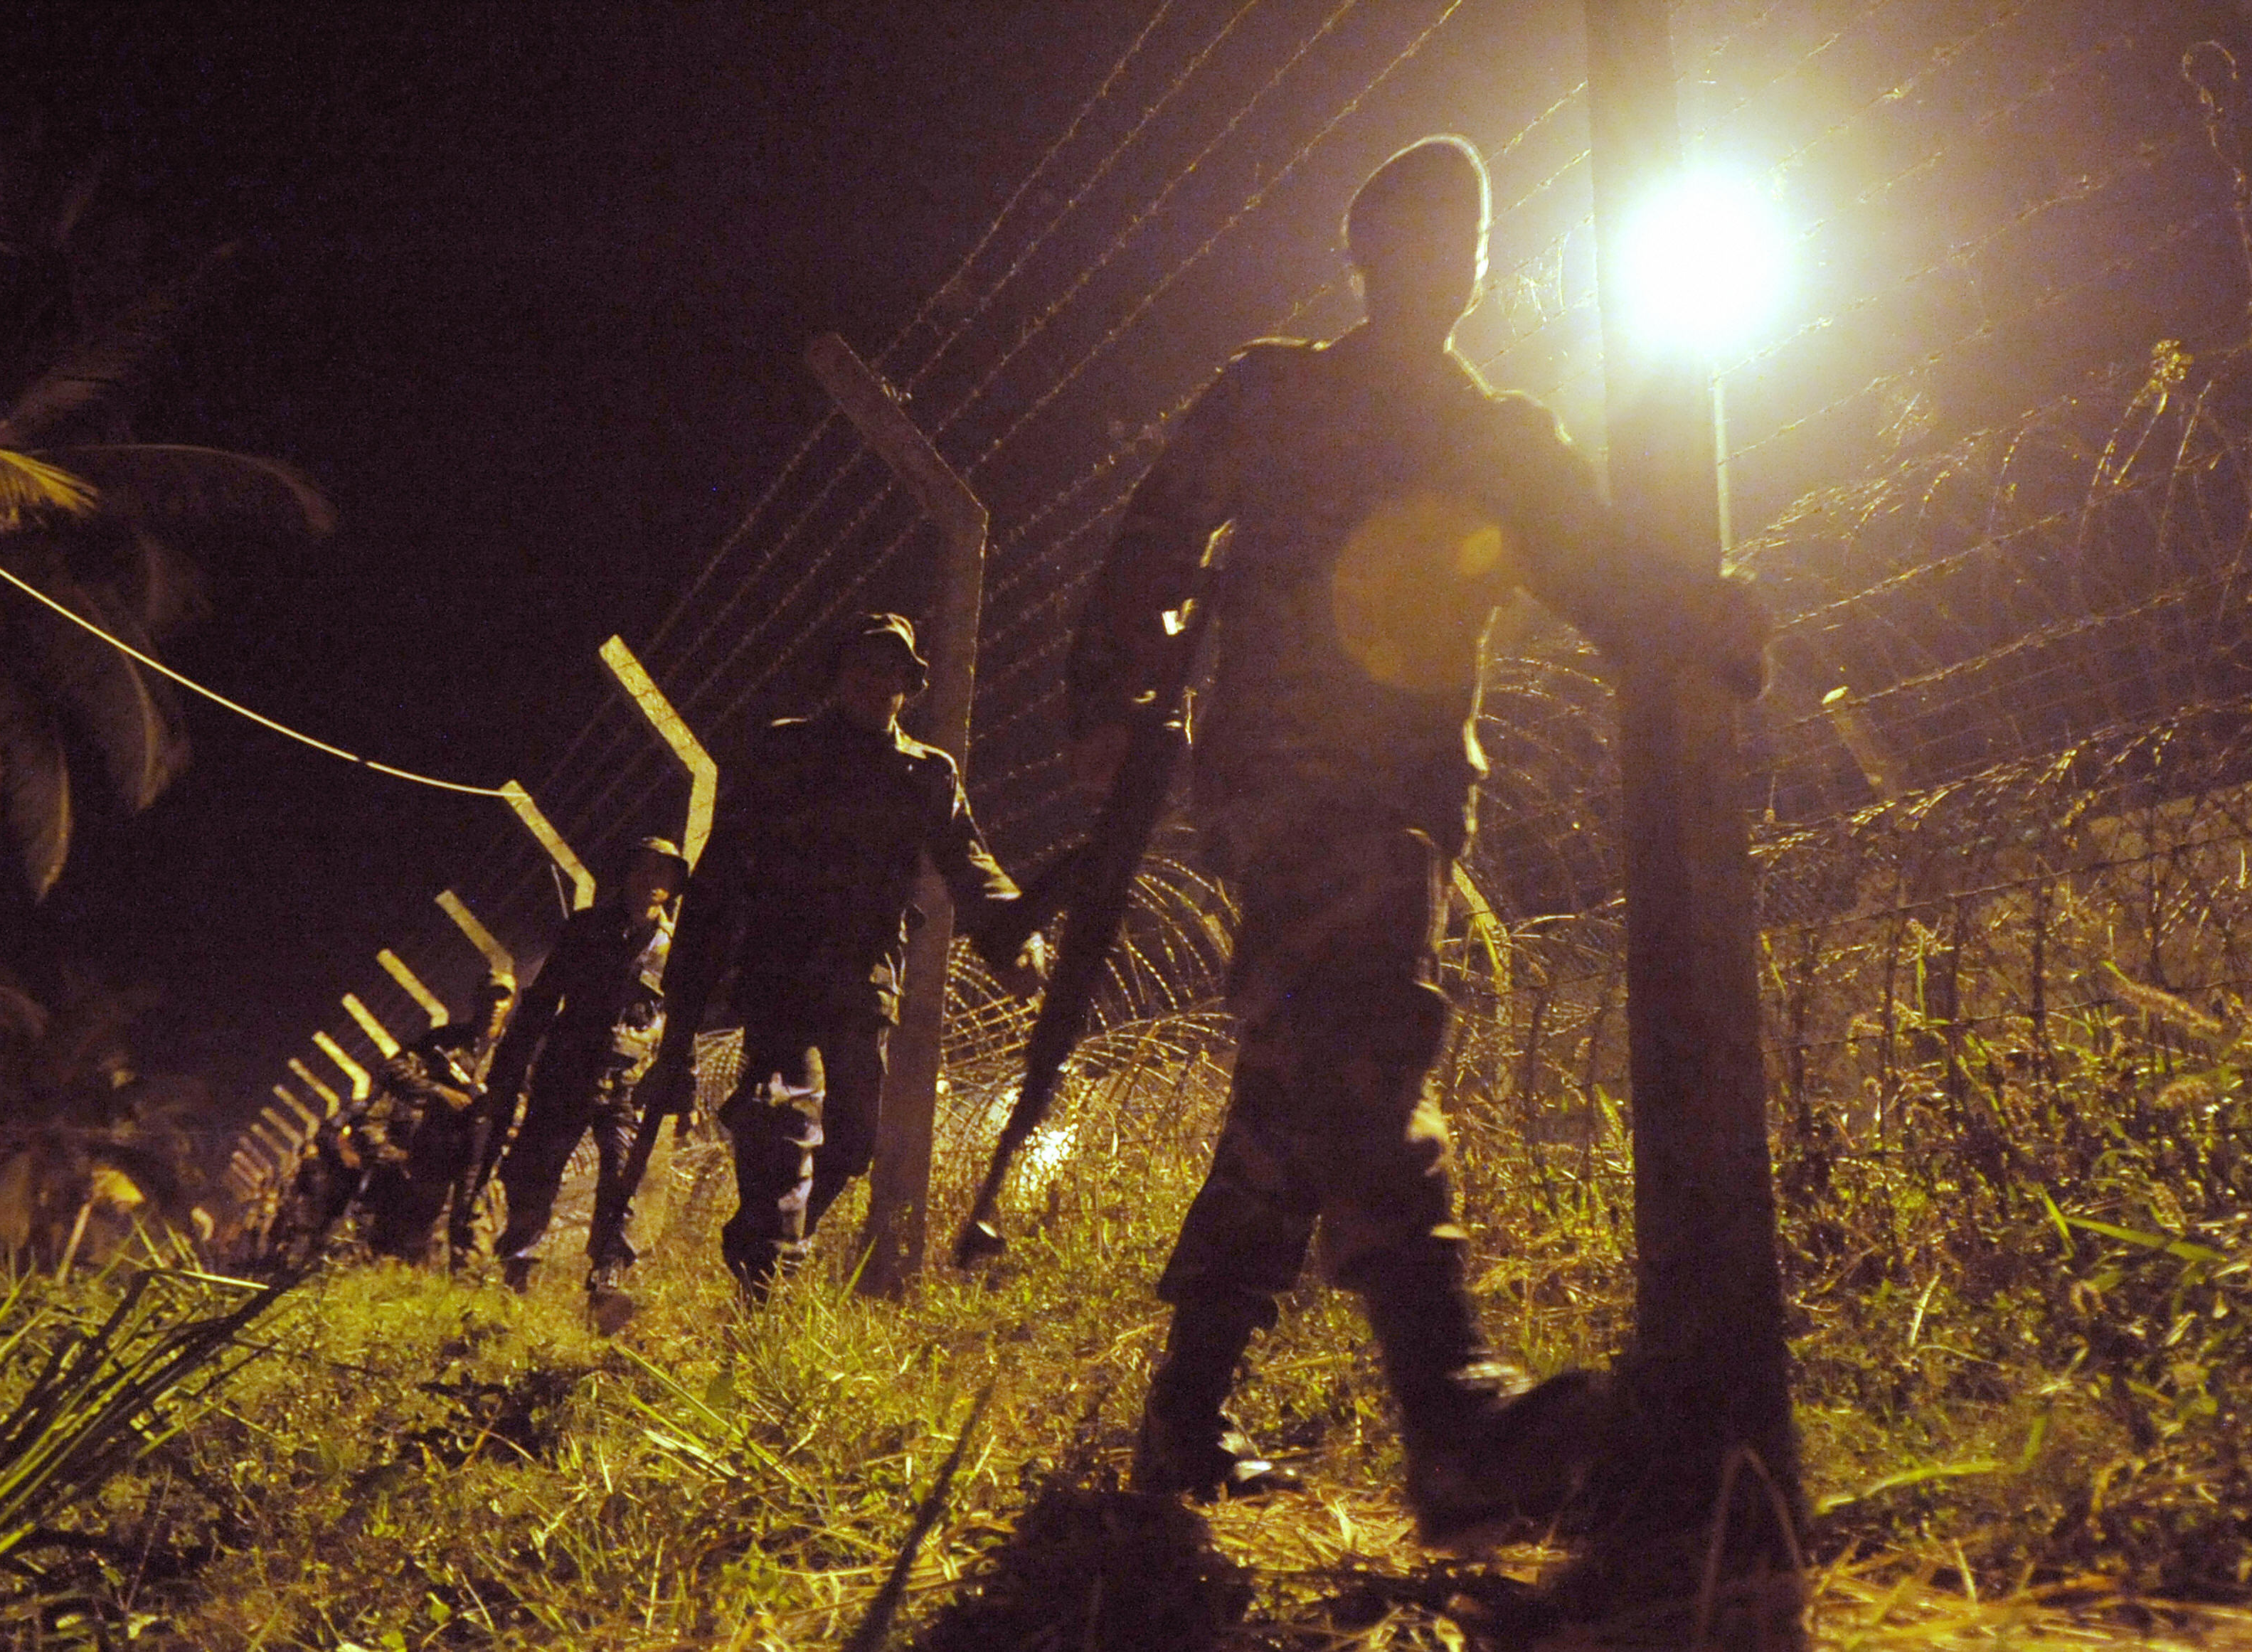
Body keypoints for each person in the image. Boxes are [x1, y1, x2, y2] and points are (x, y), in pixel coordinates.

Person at [1065, 135, 1767, 1547]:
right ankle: (1450, 1410)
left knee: (1293, 1098)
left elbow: (1596, 570)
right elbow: (1152, 539)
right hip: (1277, 782)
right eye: (1420, 228)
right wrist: (1106, 687)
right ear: (1363, 250)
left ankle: (1183, 1412)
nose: (1448, 254)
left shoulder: (1498, 431)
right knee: (1364, 1033)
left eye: (1469, 234)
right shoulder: (1272, 389)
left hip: (1406, 801)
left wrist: (1705, 615)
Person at [638, 614, 1046, 1297]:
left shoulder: (925, 773)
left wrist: (1014, 935)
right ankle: (770, 1268)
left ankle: (767, 1233)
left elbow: (970, 862)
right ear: (837, 675)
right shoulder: (783, 752)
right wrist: (682, 1009)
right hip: (781, 973)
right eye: (861, 665)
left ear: (908, 688)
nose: (873, 681)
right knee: (788, 1116)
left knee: (851, 1143)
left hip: (865, 981)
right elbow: (717, 878)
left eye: (891, 671)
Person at [481, 836, 687, 1327]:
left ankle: (607, 1280)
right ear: (626, 872)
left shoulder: (674, 948)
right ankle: (516, 1275)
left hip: (628, 1082)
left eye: (664, 873)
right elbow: (542, 1001)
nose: (652, 881)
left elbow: (681, 1022)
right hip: (567, 1070)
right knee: (536, 1172)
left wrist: (686, 1092)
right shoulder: (587, 929)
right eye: (643, 868)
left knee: (624, 1181)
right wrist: (509, 1071)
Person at [361, 979, 514, 1267]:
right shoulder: (444, 1040)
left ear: (511, 1003)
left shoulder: (515, 1050)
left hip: (485, 1149)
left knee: (475, 1224)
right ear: (476, 999)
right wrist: (439, 1091)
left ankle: (462, 1294)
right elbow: (395, 1069)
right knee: (420, 1225)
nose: (495, 1006)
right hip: (438, 1143)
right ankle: (409, 1283)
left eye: (502, 999)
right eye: (490, 997)